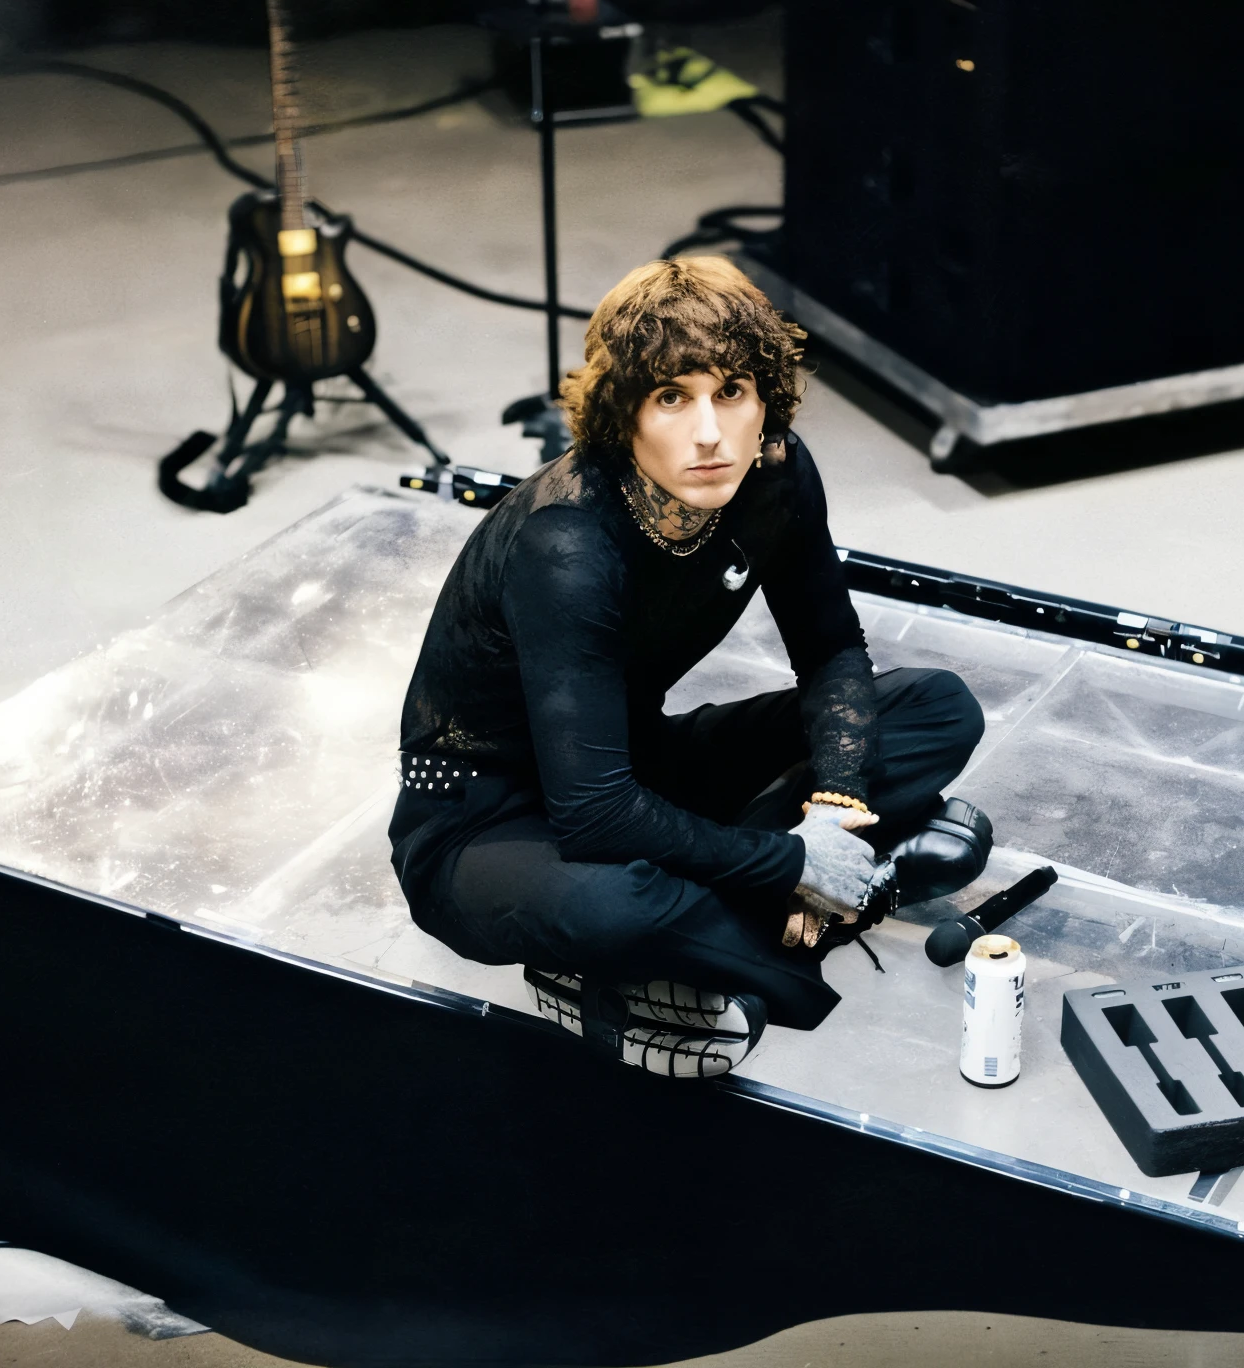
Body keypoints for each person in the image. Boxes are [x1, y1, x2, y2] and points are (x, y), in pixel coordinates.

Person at [389, 258, 991, 1078]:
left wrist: (835, 809)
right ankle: (810, 905)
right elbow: (592, 819)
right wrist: (798, 862)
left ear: (764, 401)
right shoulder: (565, 542)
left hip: (639, 766)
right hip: (487, 820)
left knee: (937, 705)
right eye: (672, 397)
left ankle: (718, 939)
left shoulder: (774, 474)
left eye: (731, 392)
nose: (709, 432)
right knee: (618, 901)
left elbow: (831, 651)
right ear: (623, 413)